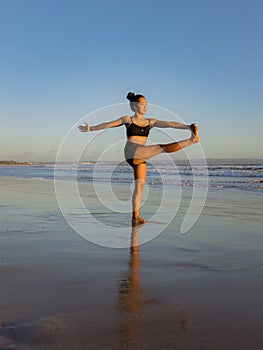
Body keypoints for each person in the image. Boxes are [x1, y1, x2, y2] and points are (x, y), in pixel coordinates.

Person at [78, 92, 200, 226]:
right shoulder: (128, 120)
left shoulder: (150, 122)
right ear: (134, 106)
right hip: (131, 151)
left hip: (141, 155)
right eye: (142, 104)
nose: (145, 107)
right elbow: (108, 124)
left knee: (139, 186)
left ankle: (135, 217)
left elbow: (170, 124)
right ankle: (191, 141)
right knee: (161, 147)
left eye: (146, 104)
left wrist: (188, 126)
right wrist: (91, 128)